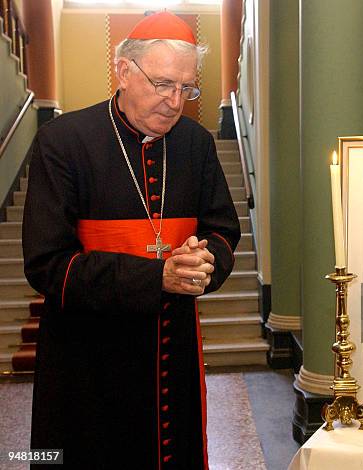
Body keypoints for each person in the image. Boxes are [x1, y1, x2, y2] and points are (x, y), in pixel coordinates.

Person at [22, 12, 240, 469]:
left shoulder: (196, 145)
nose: (175, 101)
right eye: (162, 84)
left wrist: (205, 264)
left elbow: (223, 230)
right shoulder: (62, 142)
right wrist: (157, 275)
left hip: (171, 349)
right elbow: (48, 264)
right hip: (84, 359)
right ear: (123, 71)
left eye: (186, 88)